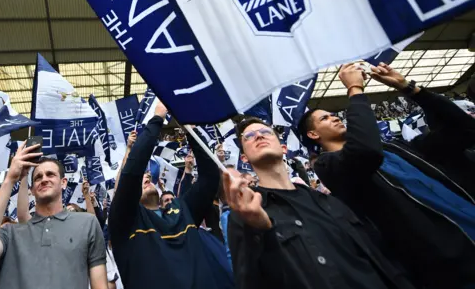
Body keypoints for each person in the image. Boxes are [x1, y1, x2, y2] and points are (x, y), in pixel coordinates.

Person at [298, 63, 475, 289]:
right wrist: (354, 89)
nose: (334, 118)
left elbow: (466, 130)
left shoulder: (398, 147)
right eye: (324, 118)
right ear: (313, 134)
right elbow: (365, 151)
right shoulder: (330, 167)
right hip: (449, 271)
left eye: (334, 114)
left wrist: (409, 88)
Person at [225, 116, 416, 289]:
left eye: (266, 132)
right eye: (249, 137)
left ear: (284, 148)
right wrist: (260, 231)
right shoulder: (248, 214)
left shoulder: (331, 201)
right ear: (244, 159)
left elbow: (378, 256)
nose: (258, 136)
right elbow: (250, 282)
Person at [109, 102, 233, 289]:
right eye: (142, 176)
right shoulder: (125, 220)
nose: (148, 175)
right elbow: (132, 172)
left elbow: (209, 176)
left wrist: (188, 127)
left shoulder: (183, 210)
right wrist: (157, 118)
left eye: (148, 175)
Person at [0, 143, 108, 289]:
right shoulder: (11, 233)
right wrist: (11, 179)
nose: (44, 179)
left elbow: (100, 284)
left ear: (63, 183)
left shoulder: (87, 223)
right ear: (32, 190)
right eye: (38, 177)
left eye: (50, 174)